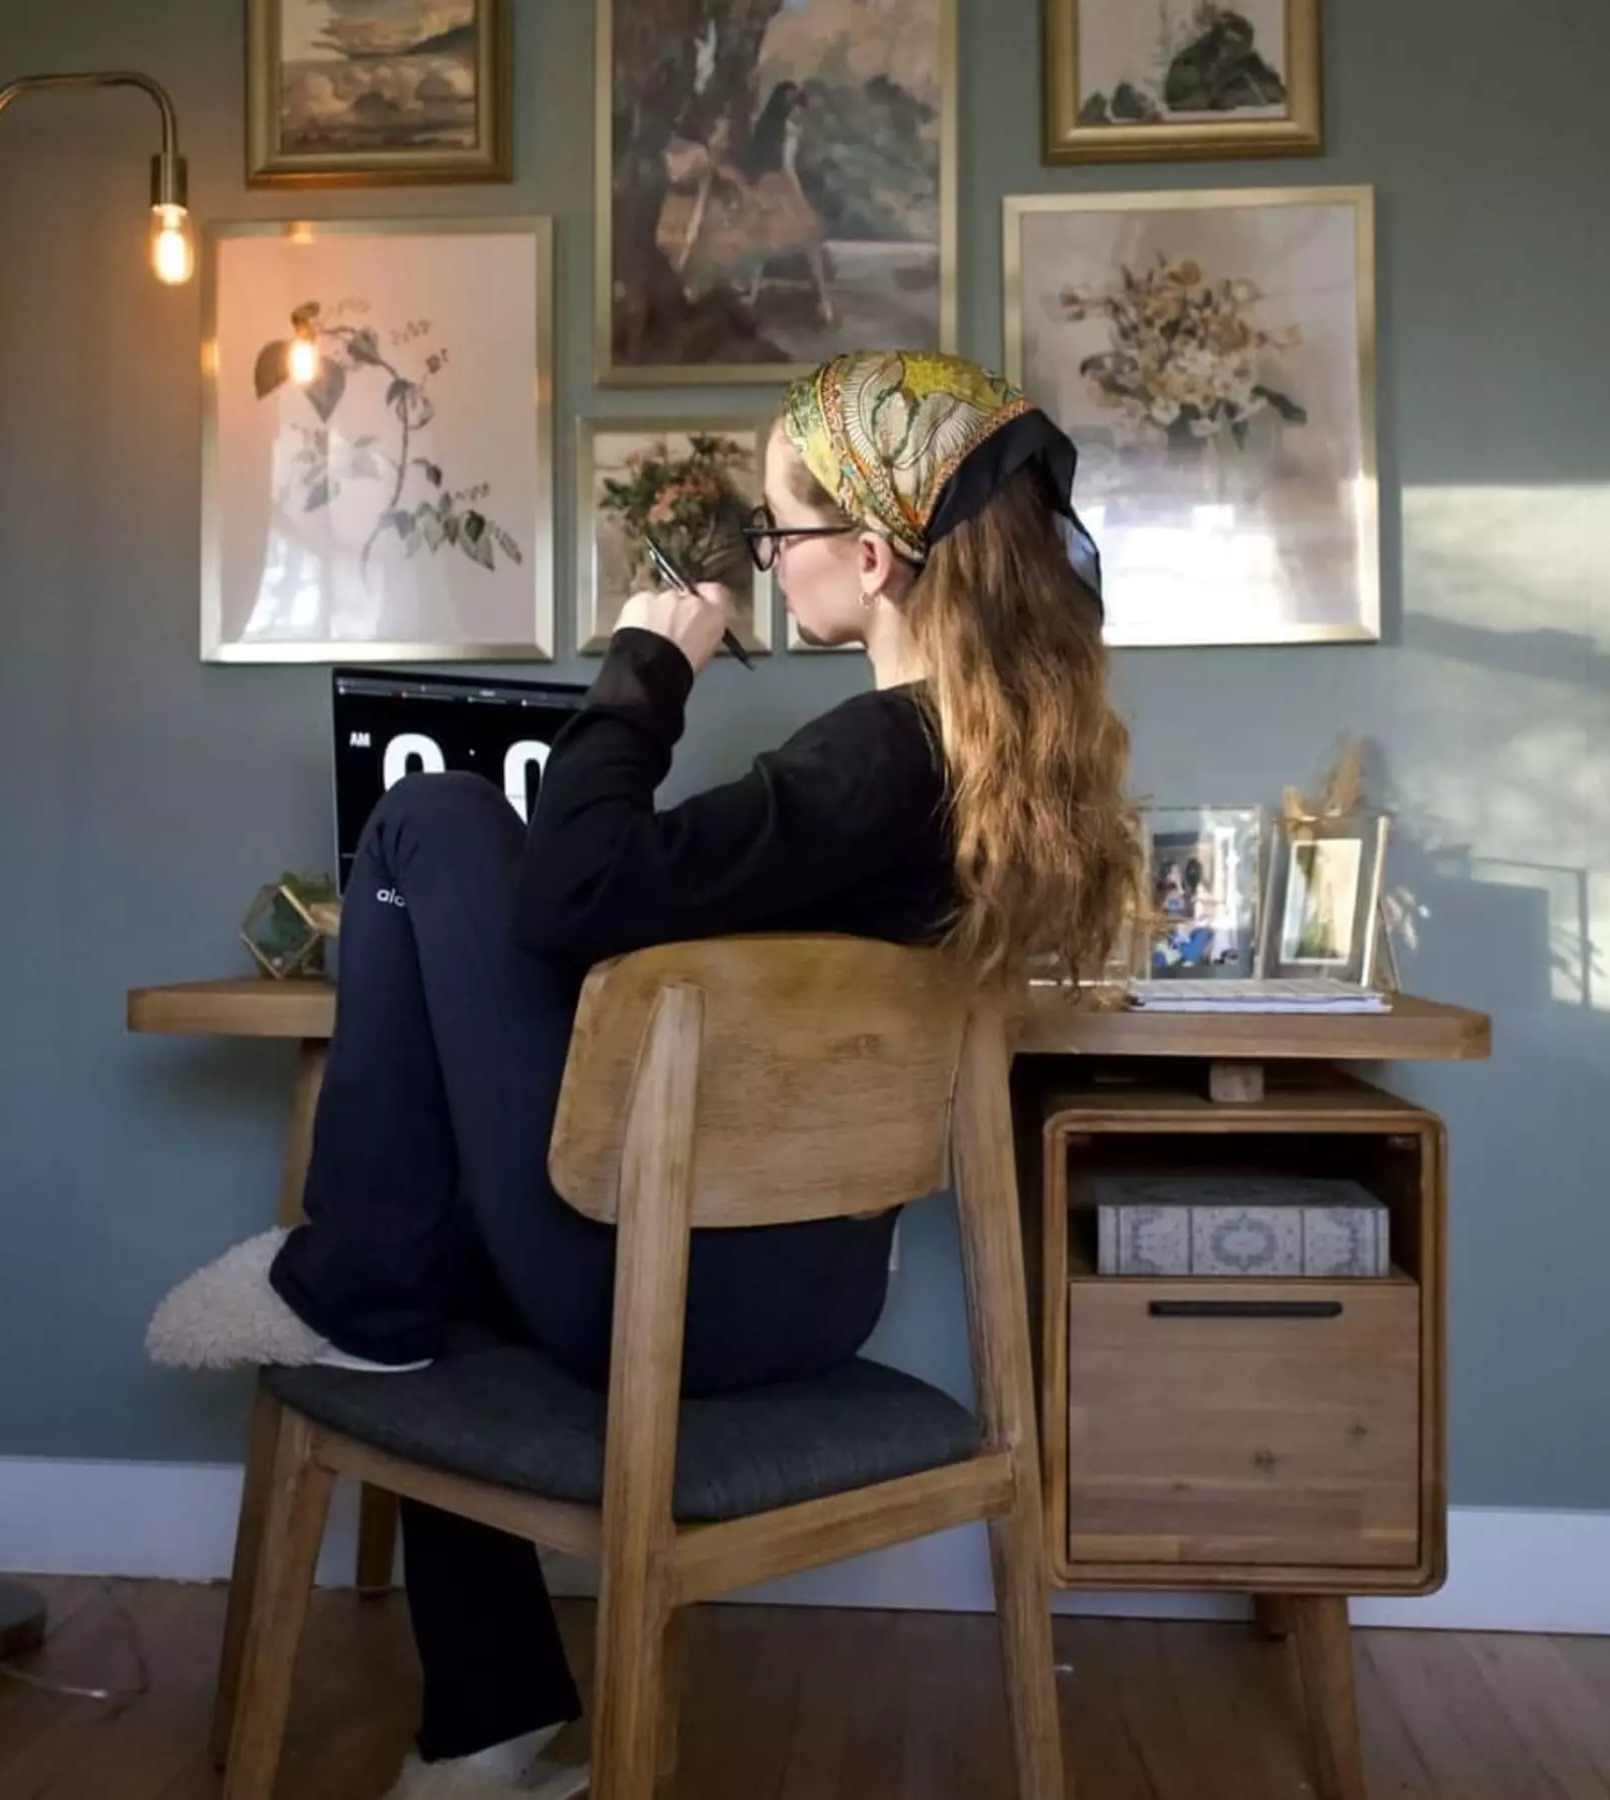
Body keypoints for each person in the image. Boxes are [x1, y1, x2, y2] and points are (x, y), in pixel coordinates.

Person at [148, 351, 1141, 1800]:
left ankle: (345, 1289)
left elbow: (570, 890)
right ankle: (483, 1713)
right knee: (458, 1258)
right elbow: (646, 925)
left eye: (782, 533)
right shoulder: (962, 779)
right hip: (815, 1298)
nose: (770, 559)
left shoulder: (870, 761)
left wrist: (646, 668)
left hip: (677, 1306)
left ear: (870, 559)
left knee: (431, 814)